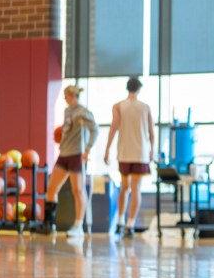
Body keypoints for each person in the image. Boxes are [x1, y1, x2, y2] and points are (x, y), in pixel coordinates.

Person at [41, 84, 99, 237]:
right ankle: (49, 223)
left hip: (76, 154)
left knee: (77, 190)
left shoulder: (82, 113)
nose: (65, 99)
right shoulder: (67, 111)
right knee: (52, 187)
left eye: (66, 96)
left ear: (72, 96)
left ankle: (78, 226)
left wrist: (87, 149)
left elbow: (95, 129)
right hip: (64, 154)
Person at [103, 76, 155, 238]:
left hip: (124, 152)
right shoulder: (145, 108)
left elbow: (114, 128)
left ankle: (120, 221)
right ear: (139, 89)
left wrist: (107, 149)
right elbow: (151, 132)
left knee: (124, 187)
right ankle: (130, 224)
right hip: (140, 154)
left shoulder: (118, 106)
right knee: (135, 188)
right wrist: (151, 150)